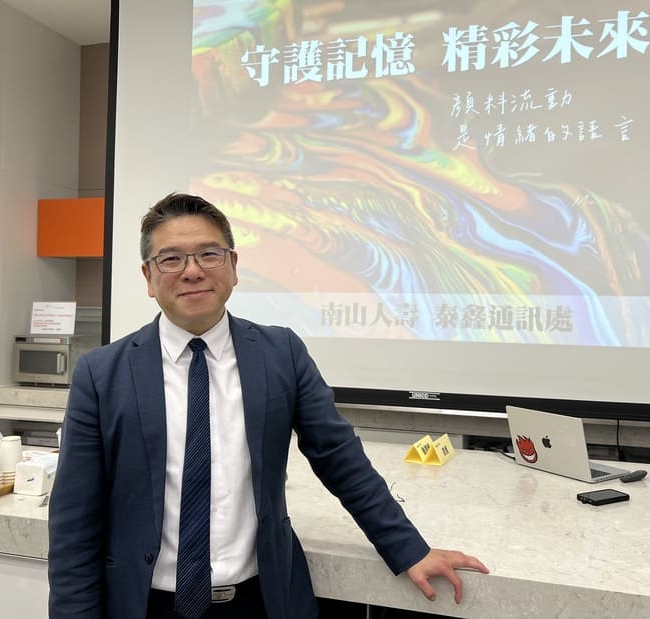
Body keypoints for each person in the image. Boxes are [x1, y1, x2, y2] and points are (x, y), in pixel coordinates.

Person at [48, 192, 489, 619]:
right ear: (148, 276)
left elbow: (340, 457)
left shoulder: (281, 354)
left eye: (209, 254)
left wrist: (408, 548)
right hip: (145, 604)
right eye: (171, 259)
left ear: (233, 266)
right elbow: (74, 521)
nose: (192, 271)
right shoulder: (101, 374)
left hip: (261, 600)